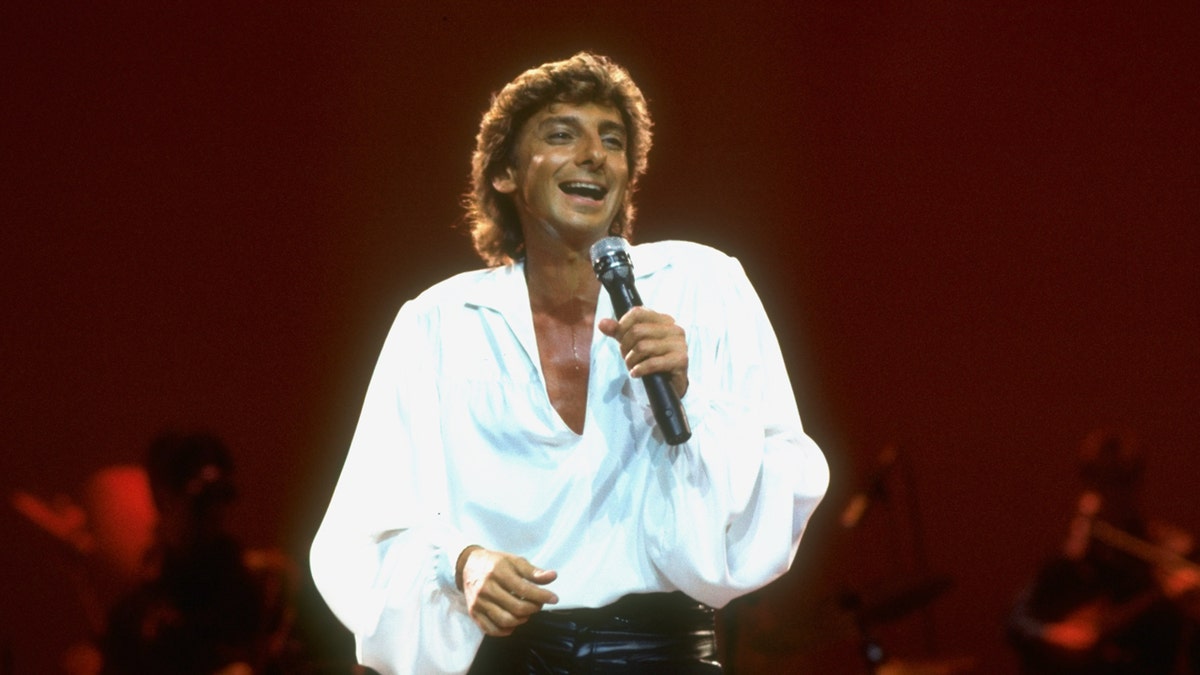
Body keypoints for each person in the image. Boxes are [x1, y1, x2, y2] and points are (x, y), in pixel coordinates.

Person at [309, 52, 830, 675]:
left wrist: (693, 399)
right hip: (507, 657)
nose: (594, 155)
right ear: (505, 173)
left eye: (612, 141)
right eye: (562, 134)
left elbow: (785, 486)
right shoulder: (438, 322)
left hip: (663, 654)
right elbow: (362, 531)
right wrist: (461, 562)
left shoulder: (704, 285)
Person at [100, 431, 299, 675]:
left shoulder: (262, 590)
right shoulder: (136, 615)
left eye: (222, 498)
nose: (214, 513)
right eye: (200, 502)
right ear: (163, 500)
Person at [1007, 429, 1200, 674]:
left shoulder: (1169, 547)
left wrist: (1188, 601)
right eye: (1097, 480)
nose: (1108, 492)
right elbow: (1017, 620)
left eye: (1120, 481)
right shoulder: (1071, 552)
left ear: (1136, 482)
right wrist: (1057, 634)